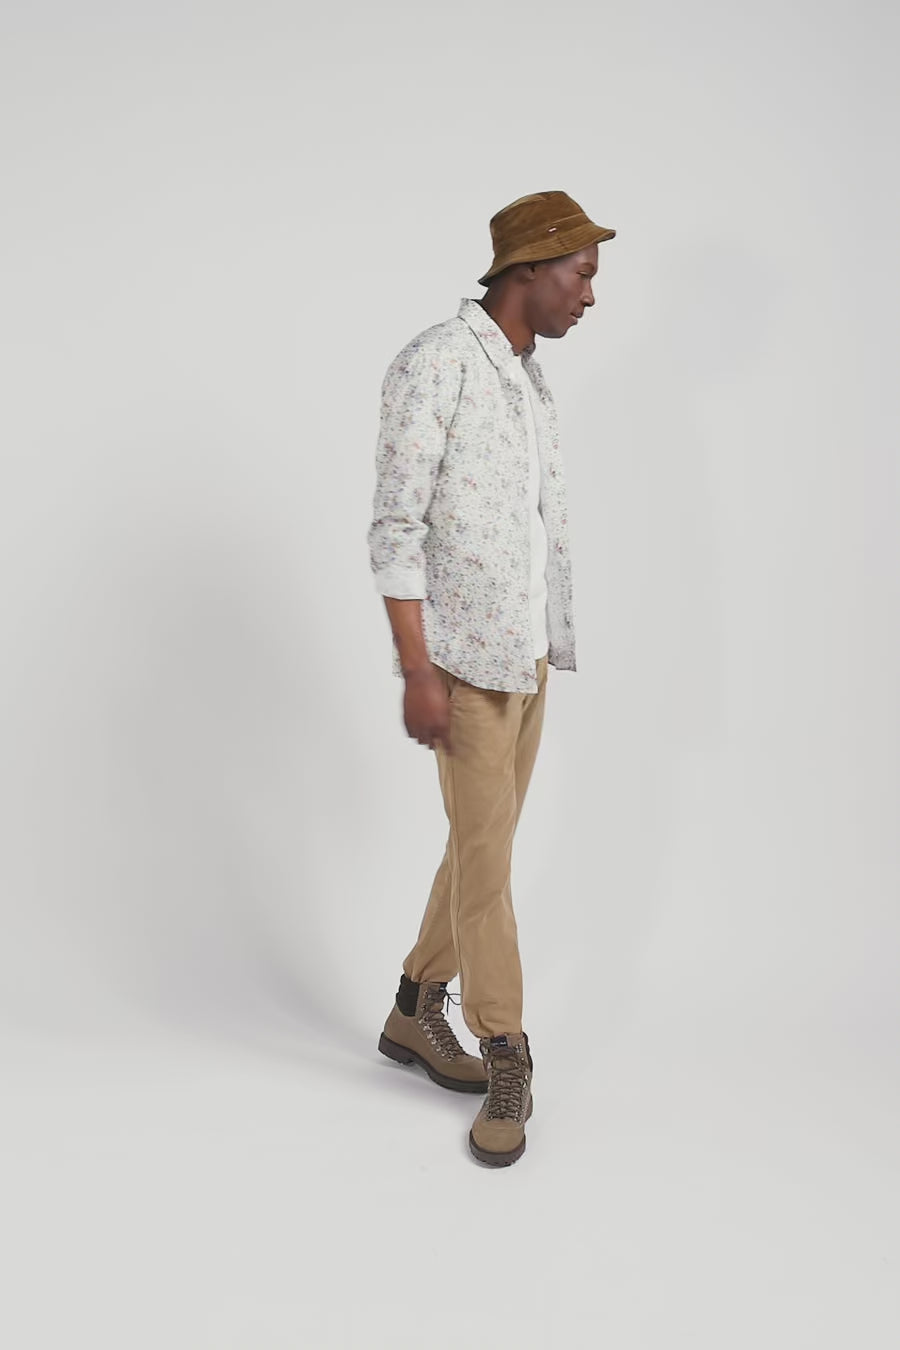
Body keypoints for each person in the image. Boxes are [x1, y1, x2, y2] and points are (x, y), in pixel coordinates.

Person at [367, 190, 616, 1166]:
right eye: (580, 274)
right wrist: (415, 669)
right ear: (529, 267)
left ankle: (413, 1006)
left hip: (525, 656)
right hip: (463, 666)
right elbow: (396, 527)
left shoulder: (528, 378)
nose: (589, 295)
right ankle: (507, 1048)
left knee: (483, 848)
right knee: (489, 863)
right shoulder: (436, 363)